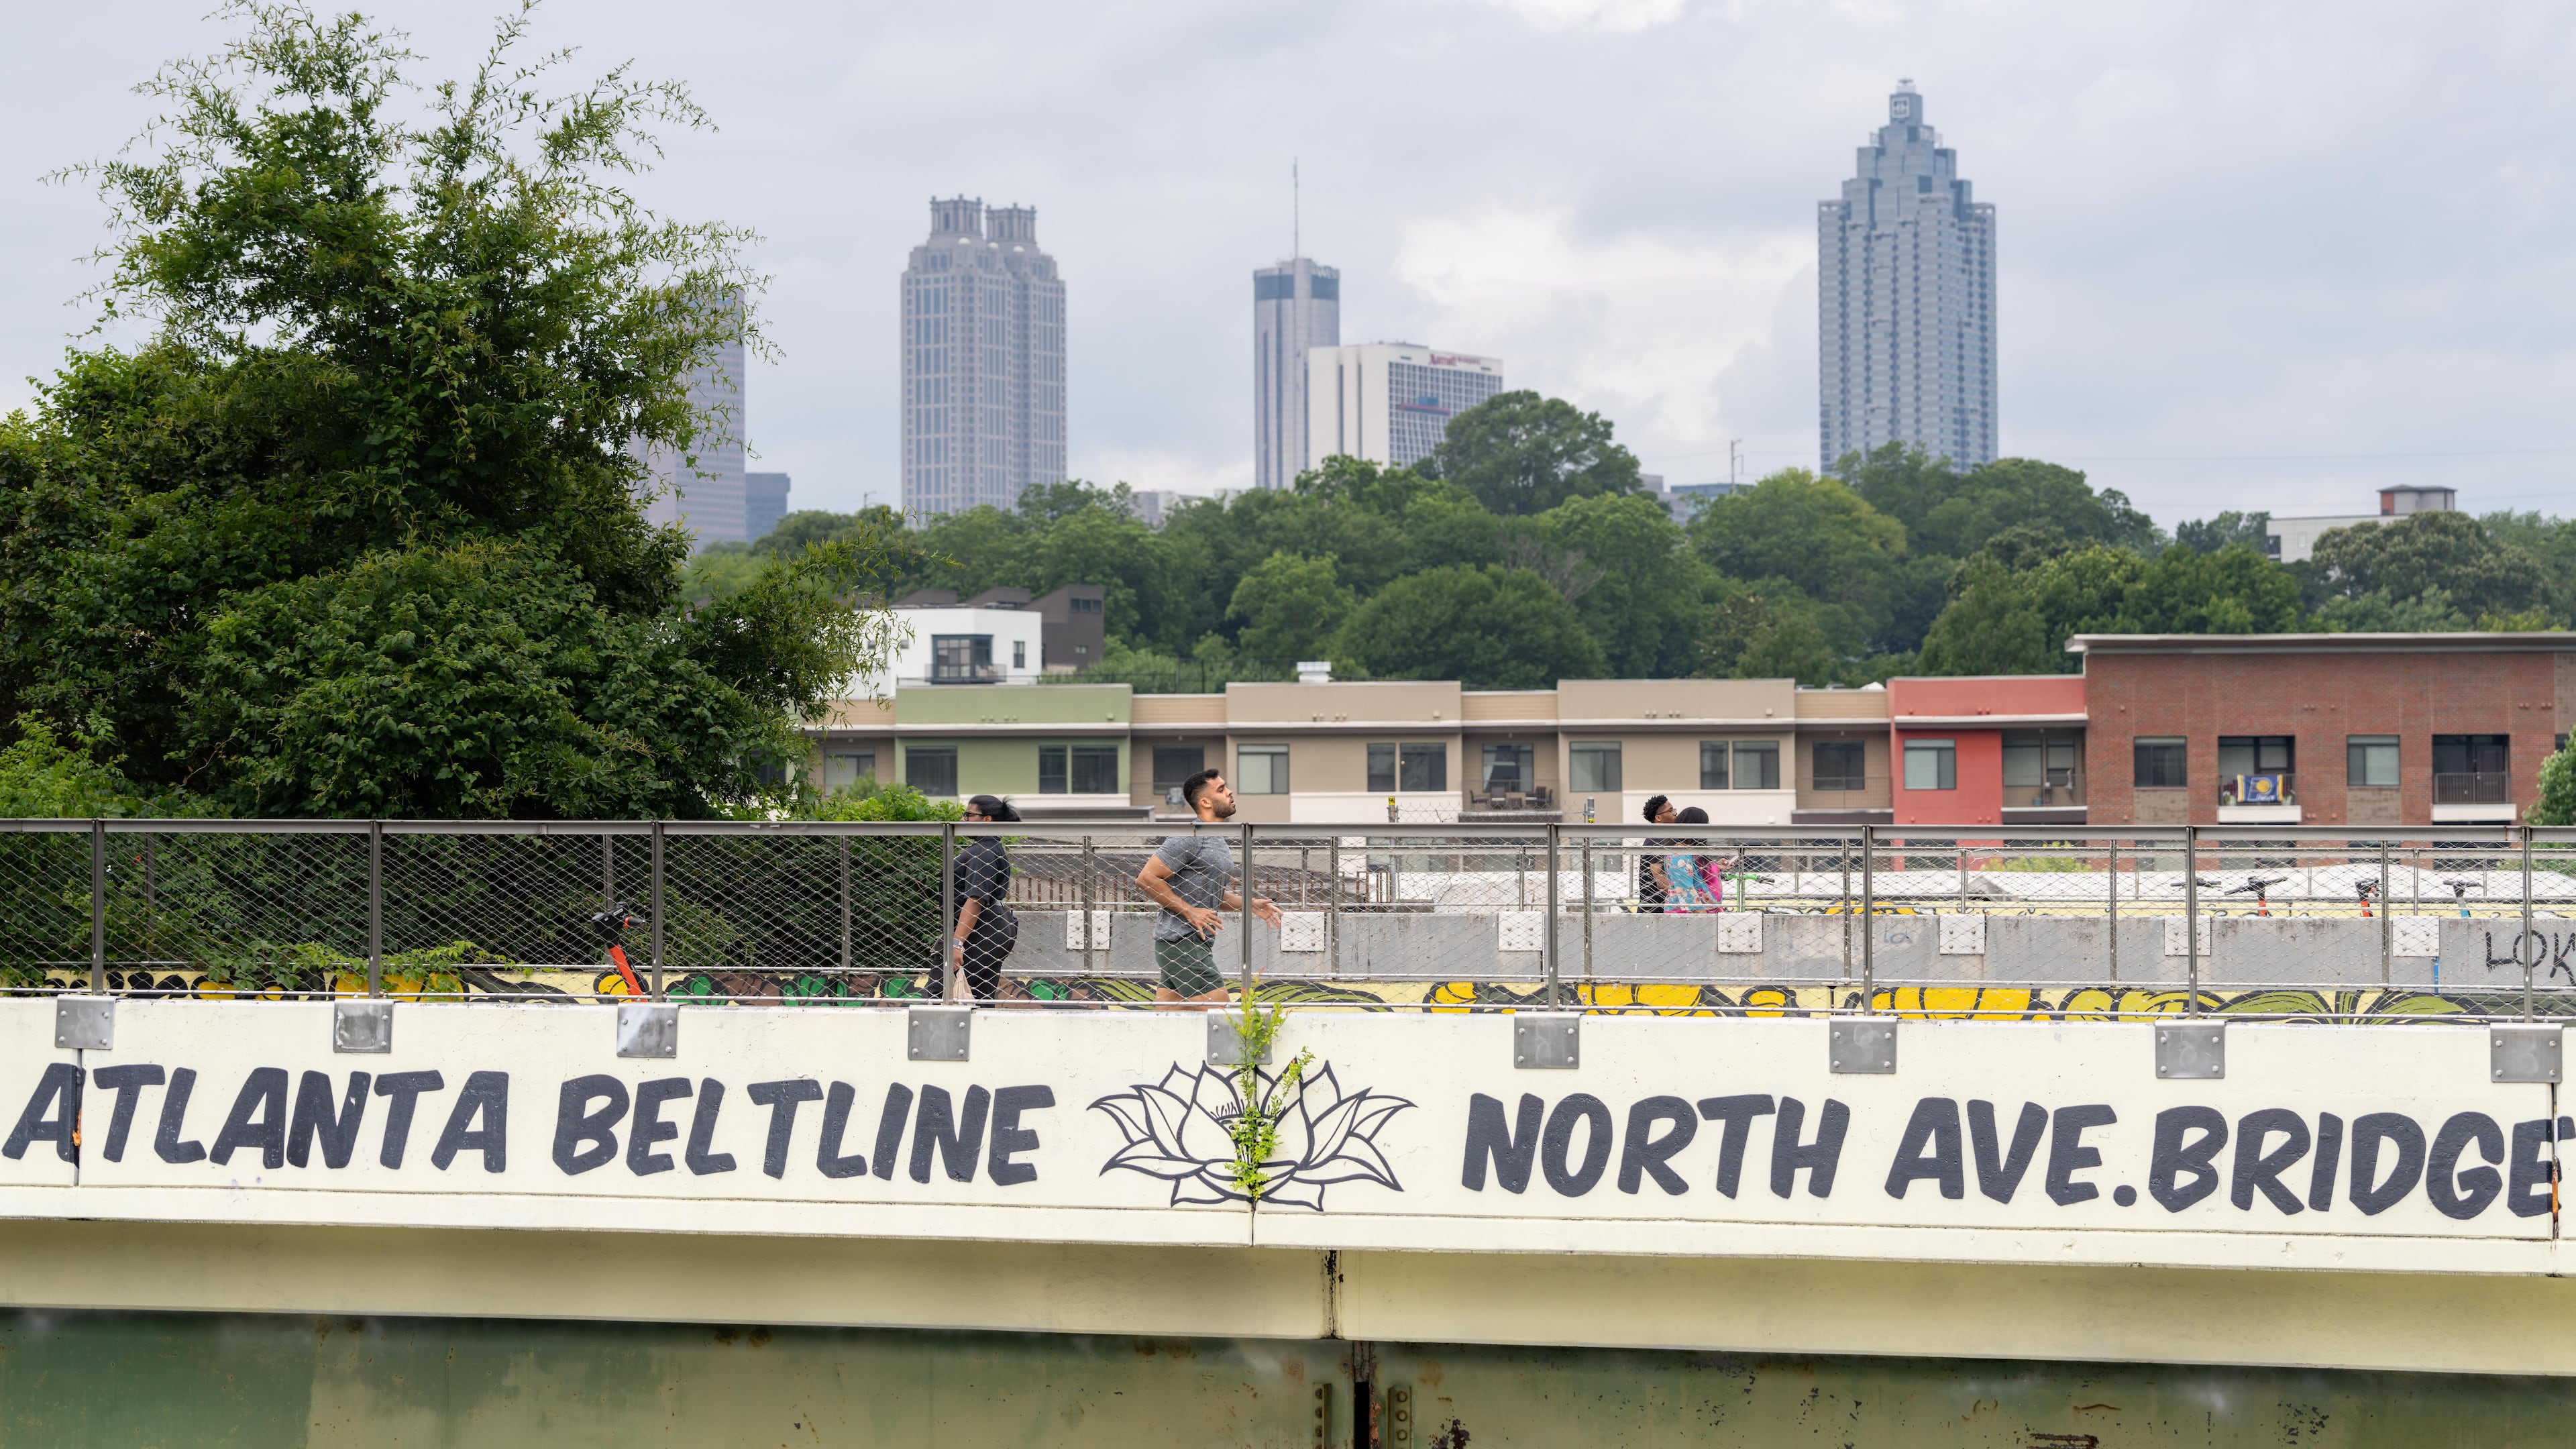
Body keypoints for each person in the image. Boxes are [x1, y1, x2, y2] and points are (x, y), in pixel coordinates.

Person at [1134, 767, 1281, 1006]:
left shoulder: (1216, 838)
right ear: (1205, 802)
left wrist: (1249, 904)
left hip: (1183, 946)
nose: (1230, 792)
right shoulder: (1191, 835)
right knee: (1224, 1019)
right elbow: (1146, 878)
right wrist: (1190, 911)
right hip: (1181, 943)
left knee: (1169, 1024)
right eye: (1221, 790)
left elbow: (1211, 893)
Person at [949, 795, 1020, 1001]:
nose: (963, 820)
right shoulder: (990, 848)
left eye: (968, 815)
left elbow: (975, 899)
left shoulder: (984, 852)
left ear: (987, 820)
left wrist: (956, 944)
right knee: (979, 996)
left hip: (982, 929)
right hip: (991, 926)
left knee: (939, 991)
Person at [1664, 806, 1721, 912]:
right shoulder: (1679, 854)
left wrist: (1716, 866)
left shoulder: (1691, 851)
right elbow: (1687, 891)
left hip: (1703, 914)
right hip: (1688, 918)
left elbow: (1697, 874)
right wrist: (1705, 919)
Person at [1636, 794, 1676, 912]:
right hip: (1653, 912)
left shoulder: (1665, 839)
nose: (1675, 813)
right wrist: (1682, 896)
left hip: (1661, 910)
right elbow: (1659, 879)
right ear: (1658, 818)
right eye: (1671, 810)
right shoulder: (1655, 841)